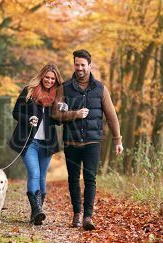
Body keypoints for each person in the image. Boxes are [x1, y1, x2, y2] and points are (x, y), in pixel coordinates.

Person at [52, 49, 124, 230]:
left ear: (89, 66)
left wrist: (118, 140)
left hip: (92, 142)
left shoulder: (100, 89)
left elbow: (112, 116)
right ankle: (77, 214)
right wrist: (75, 114)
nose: (80, 68)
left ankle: (88, 217)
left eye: (83, 65)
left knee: (91, 179)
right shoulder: (64, 88)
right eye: (77, 64)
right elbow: (55, 115)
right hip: (71, 142)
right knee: (73, 179)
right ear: (74, 65)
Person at [9, 64, 64, 225]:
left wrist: (62, 111)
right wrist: (28, 119)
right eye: (47, 77)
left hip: (47, 143)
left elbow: (58, 121)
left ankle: (36, 213)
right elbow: (16, 112)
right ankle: (37, 210)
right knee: (34, 173)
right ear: (41, 76)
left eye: (52, 79)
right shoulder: (29, 90)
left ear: (56, 80)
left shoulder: (58, 96)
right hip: (28, 141)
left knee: (42, 176)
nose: (49, 80)